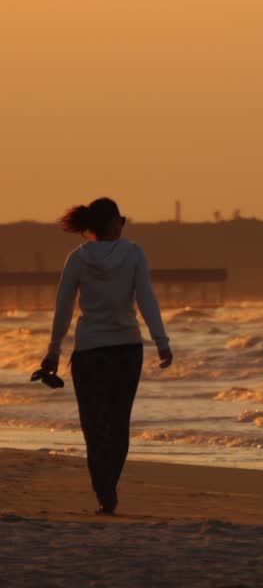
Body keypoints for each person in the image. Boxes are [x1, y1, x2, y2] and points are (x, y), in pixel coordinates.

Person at [39, 197, 173, 515]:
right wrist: (161, 341)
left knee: (94, 426)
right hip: (127, 349)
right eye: (121, 220)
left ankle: (104, 494)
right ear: (112, 223)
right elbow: (146, 299)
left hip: (89, 352)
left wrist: (53, 351)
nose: (123, 224)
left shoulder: (78, 258)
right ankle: (109, 487)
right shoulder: (133, 253)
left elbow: (63, 308)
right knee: (118, 423)